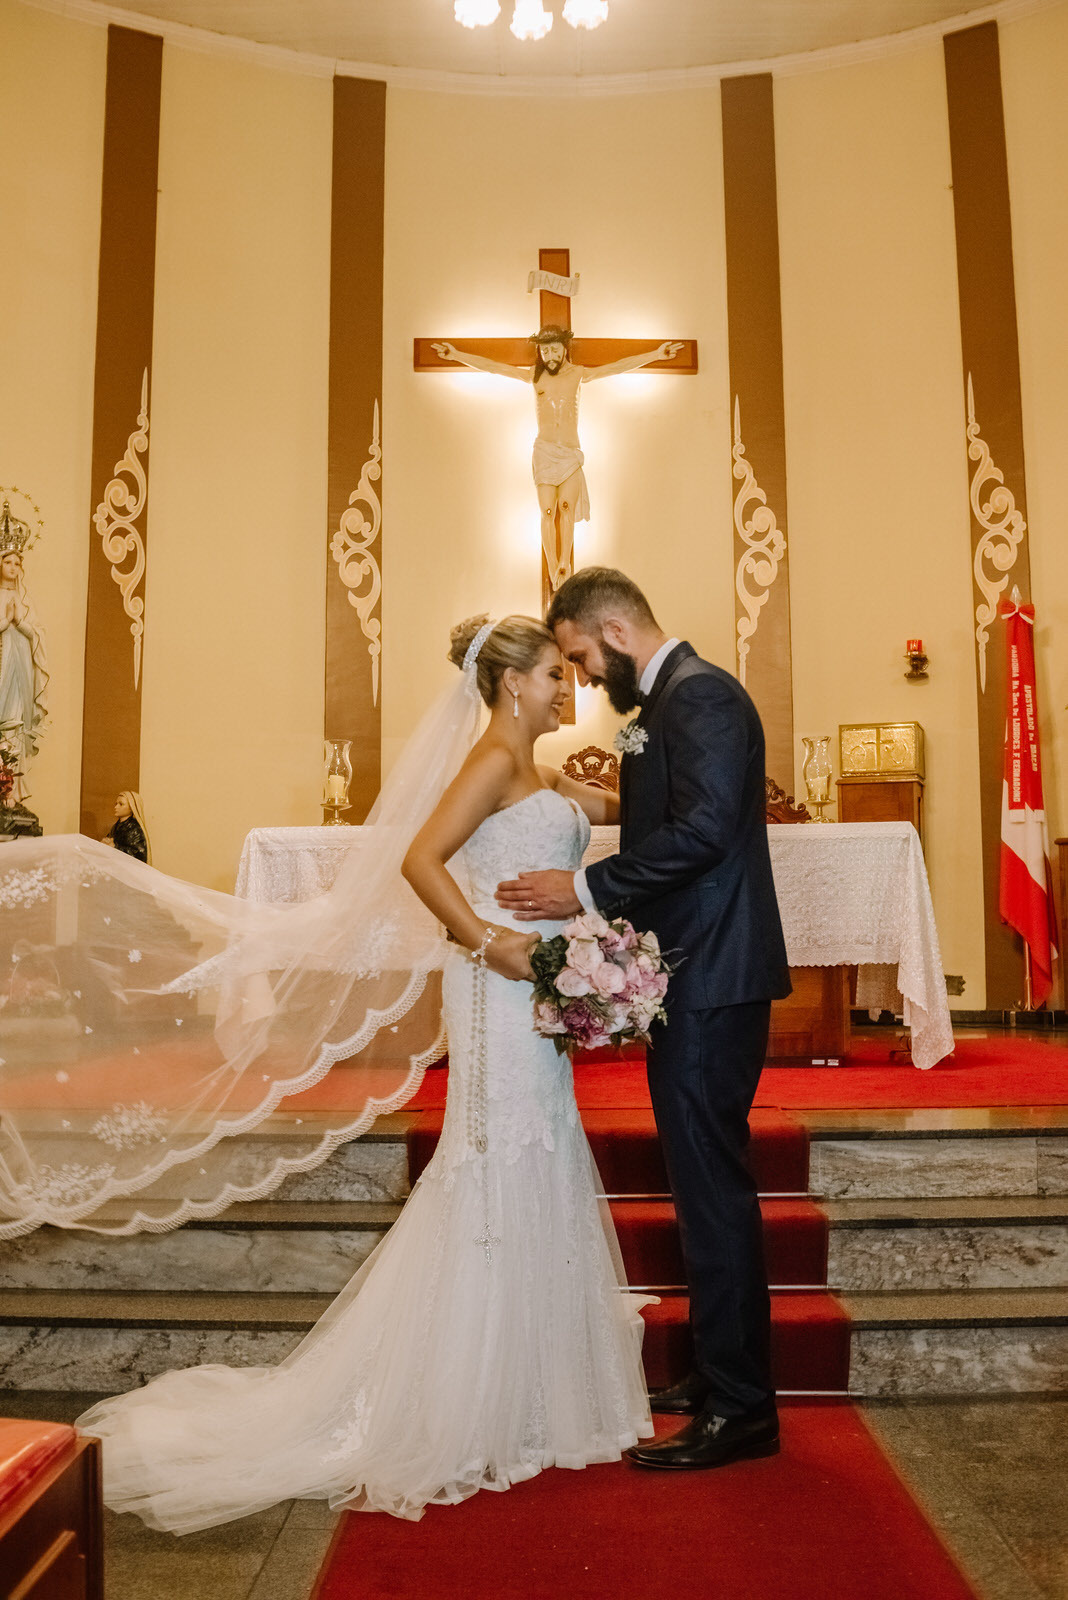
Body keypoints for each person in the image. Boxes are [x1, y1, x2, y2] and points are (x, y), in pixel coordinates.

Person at [76, 614, 652, 1530]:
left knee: (537, 1152)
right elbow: (419, 859)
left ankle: (529, 1393)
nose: (568, 684)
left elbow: (597, 816)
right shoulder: (493, 763)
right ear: (511, 685)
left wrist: (653, 775)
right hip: (500, 989)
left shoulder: (538, 769)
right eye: (554, 672)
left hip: (537, 996)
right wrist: (492, 942)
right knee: (497, 1160)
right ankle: (465, 1399)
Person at [496, 567, 792, 1471]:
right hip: (691, 974)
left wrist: (579, 887)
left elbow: (703, 833)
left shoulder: (699, 698)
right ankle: (714, 1375)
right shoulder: (666, 702)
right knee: (698, 1183)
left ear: (615, 630)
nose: (584, 677)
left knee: (712, 1190)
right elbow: (667, 817)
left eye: (583, 656)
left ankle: (743, 1408)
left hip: (711, 978)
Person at [431, 328, 683, 589]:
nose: (550, 355)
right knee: (548, 510)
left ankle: (565, 562)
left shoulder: (578, 374)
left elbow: (618, 367)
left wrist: (656, 354)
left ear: (565, 349)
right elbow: (494, 368)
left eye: (555, 349)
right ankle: (553, 567)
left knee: (566, 508)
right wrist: (456, 354)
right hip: (544, 451)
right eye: (545, 350)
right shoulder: (534, 376)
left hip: (570, 452)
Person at [0, 544, 49, 805]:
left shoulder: (26, 601)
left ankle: (11, 791)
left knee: (15, 725)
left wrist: (20, 622)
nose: (13, 568)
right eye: (8, 562)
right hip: (1, 670)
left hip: (20, 674)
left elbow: (38, 636)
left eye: (17, 563)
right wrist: (5, 623)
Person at [103, 791, 151, 863]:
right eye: (116, 804)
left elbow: (140, 856)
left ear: (131, 808)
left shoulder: (135, 828)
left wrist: (115, 847)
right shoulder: (116, 826)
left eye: (121, 804)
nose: (116, 807)